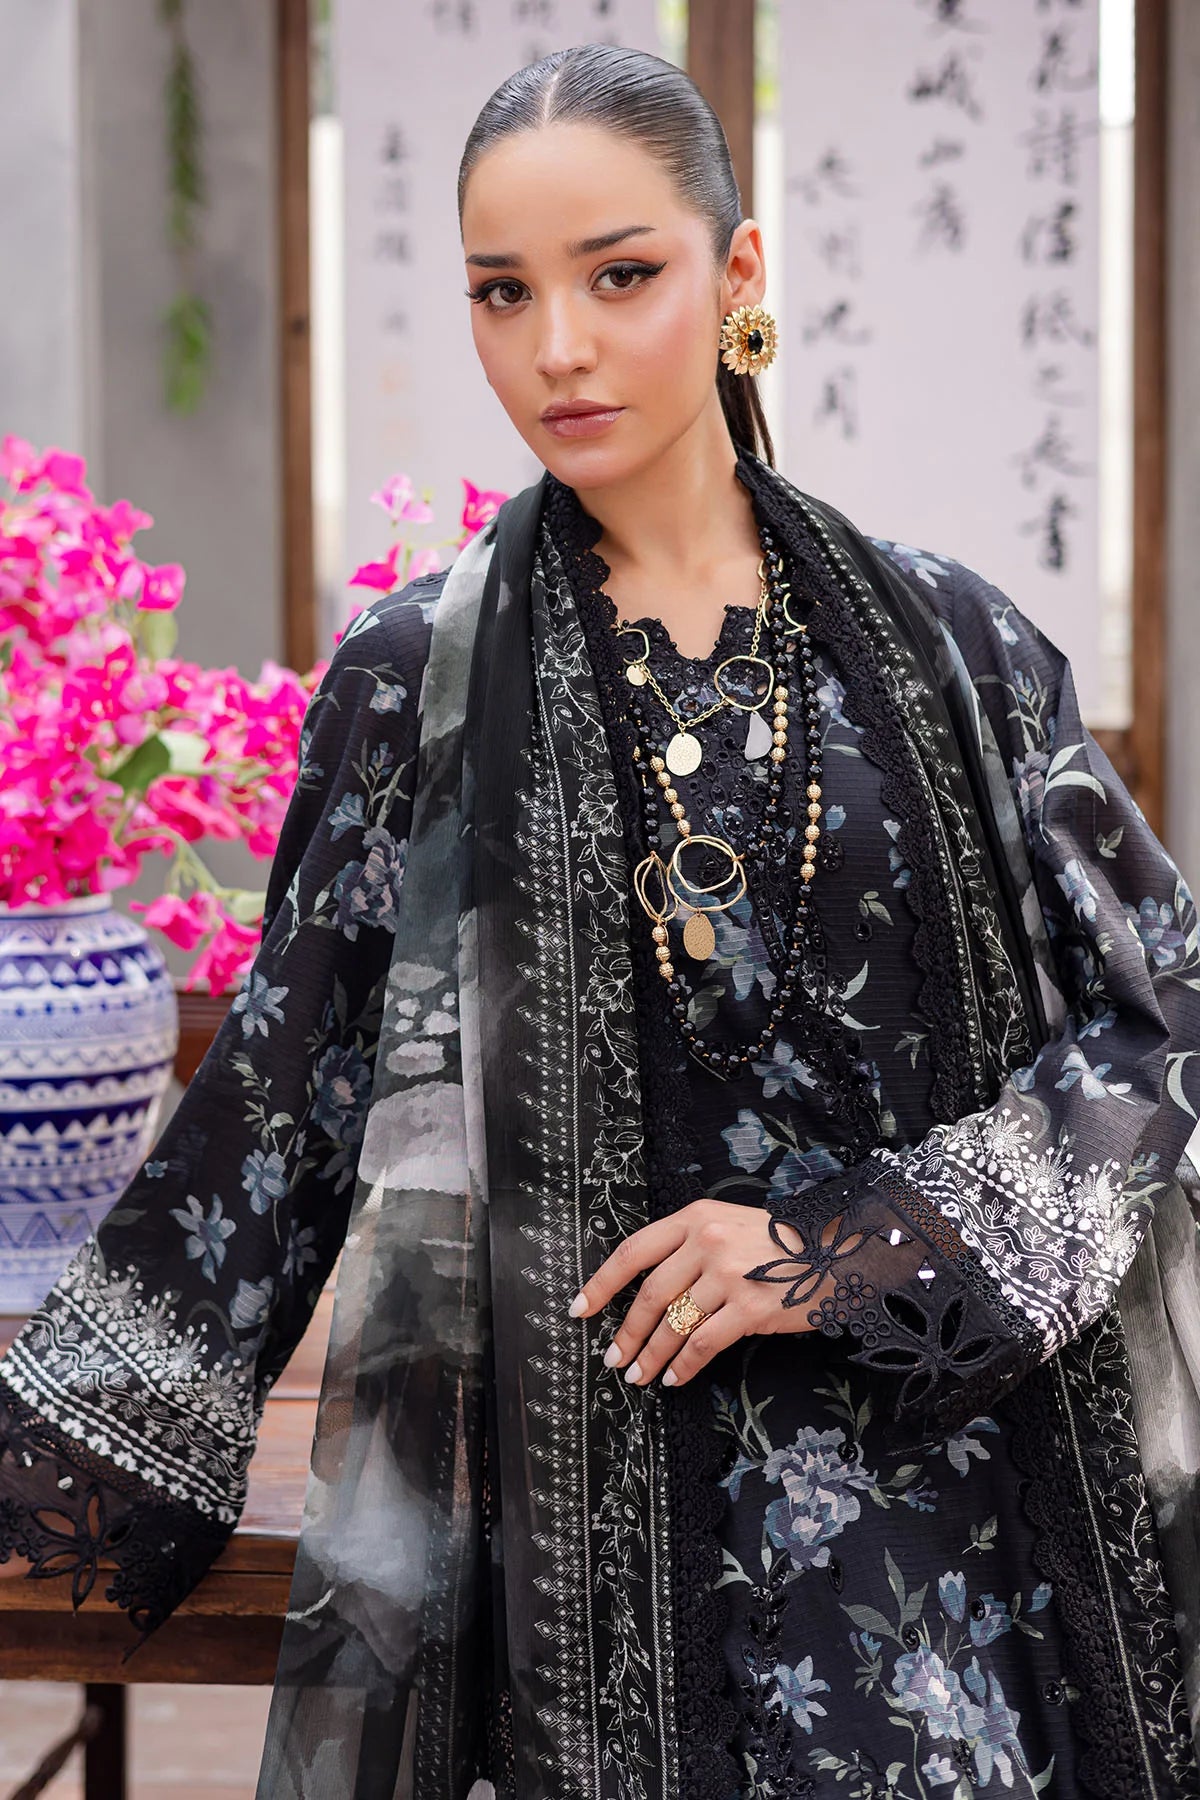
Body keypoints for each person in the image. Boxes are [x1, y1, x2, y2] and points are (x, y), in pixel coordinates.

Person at [1, 42, 1198, 1800]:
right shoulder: (418, 679)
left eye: (620, 275)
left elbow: (1160, 1010)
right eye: (504, 292)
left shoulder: (960, 649)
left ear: (738, 274)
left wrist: (842, 1247)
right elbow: (285, 1095)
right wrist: (80, 1431)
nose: (556, 346)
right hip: (579, 1535)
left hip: (942, 1519)